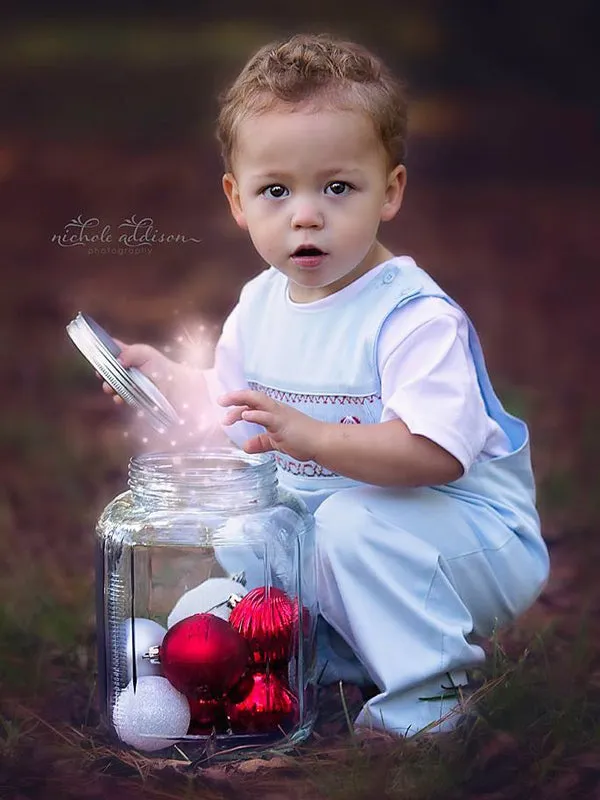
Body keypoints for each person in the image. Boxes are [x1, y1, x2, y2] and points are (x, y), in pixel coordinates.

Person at [100, 33, 550, 736]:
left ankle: (436, 697)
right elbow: (241, 413)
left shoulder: (412, 317)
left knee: (344, 522)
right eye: (276, 190)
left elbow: (436, 455)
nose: (306, 214)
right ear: (237, 201)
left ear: (390, 191)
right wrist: (171, 381)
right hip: (356, 529)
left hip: (470, 538)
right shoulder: (259, 302)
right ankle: (334, 658)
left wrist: (311, 437)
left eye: (337, 187)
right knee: (258, 526)